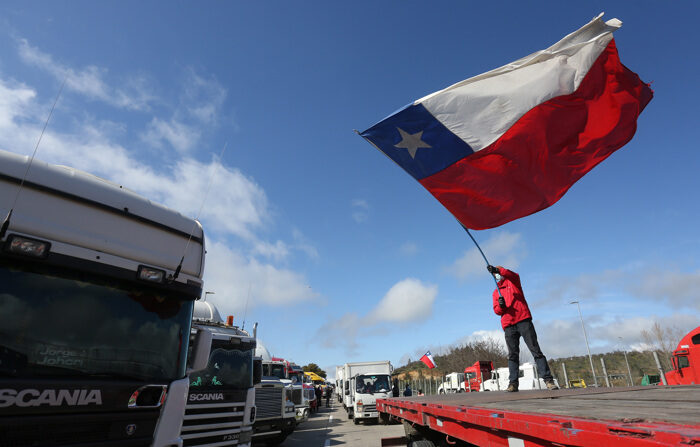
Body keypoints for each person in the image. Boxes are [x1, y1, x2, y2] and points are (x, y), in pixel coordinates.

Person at [488, 265, 558, 392]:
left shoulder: (513, 282)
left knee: (535, 350)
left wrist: (498, 269)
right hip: (509, 325)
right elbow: (497, 310)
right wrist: (502, 306)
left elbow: (513, 275)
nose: (497, 276)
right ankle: (513, 384)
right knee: (512, 355)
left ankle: (548, 380)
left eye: (498, 273)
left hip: (523, 320)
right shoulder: (496, 292)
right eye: (495, 275)